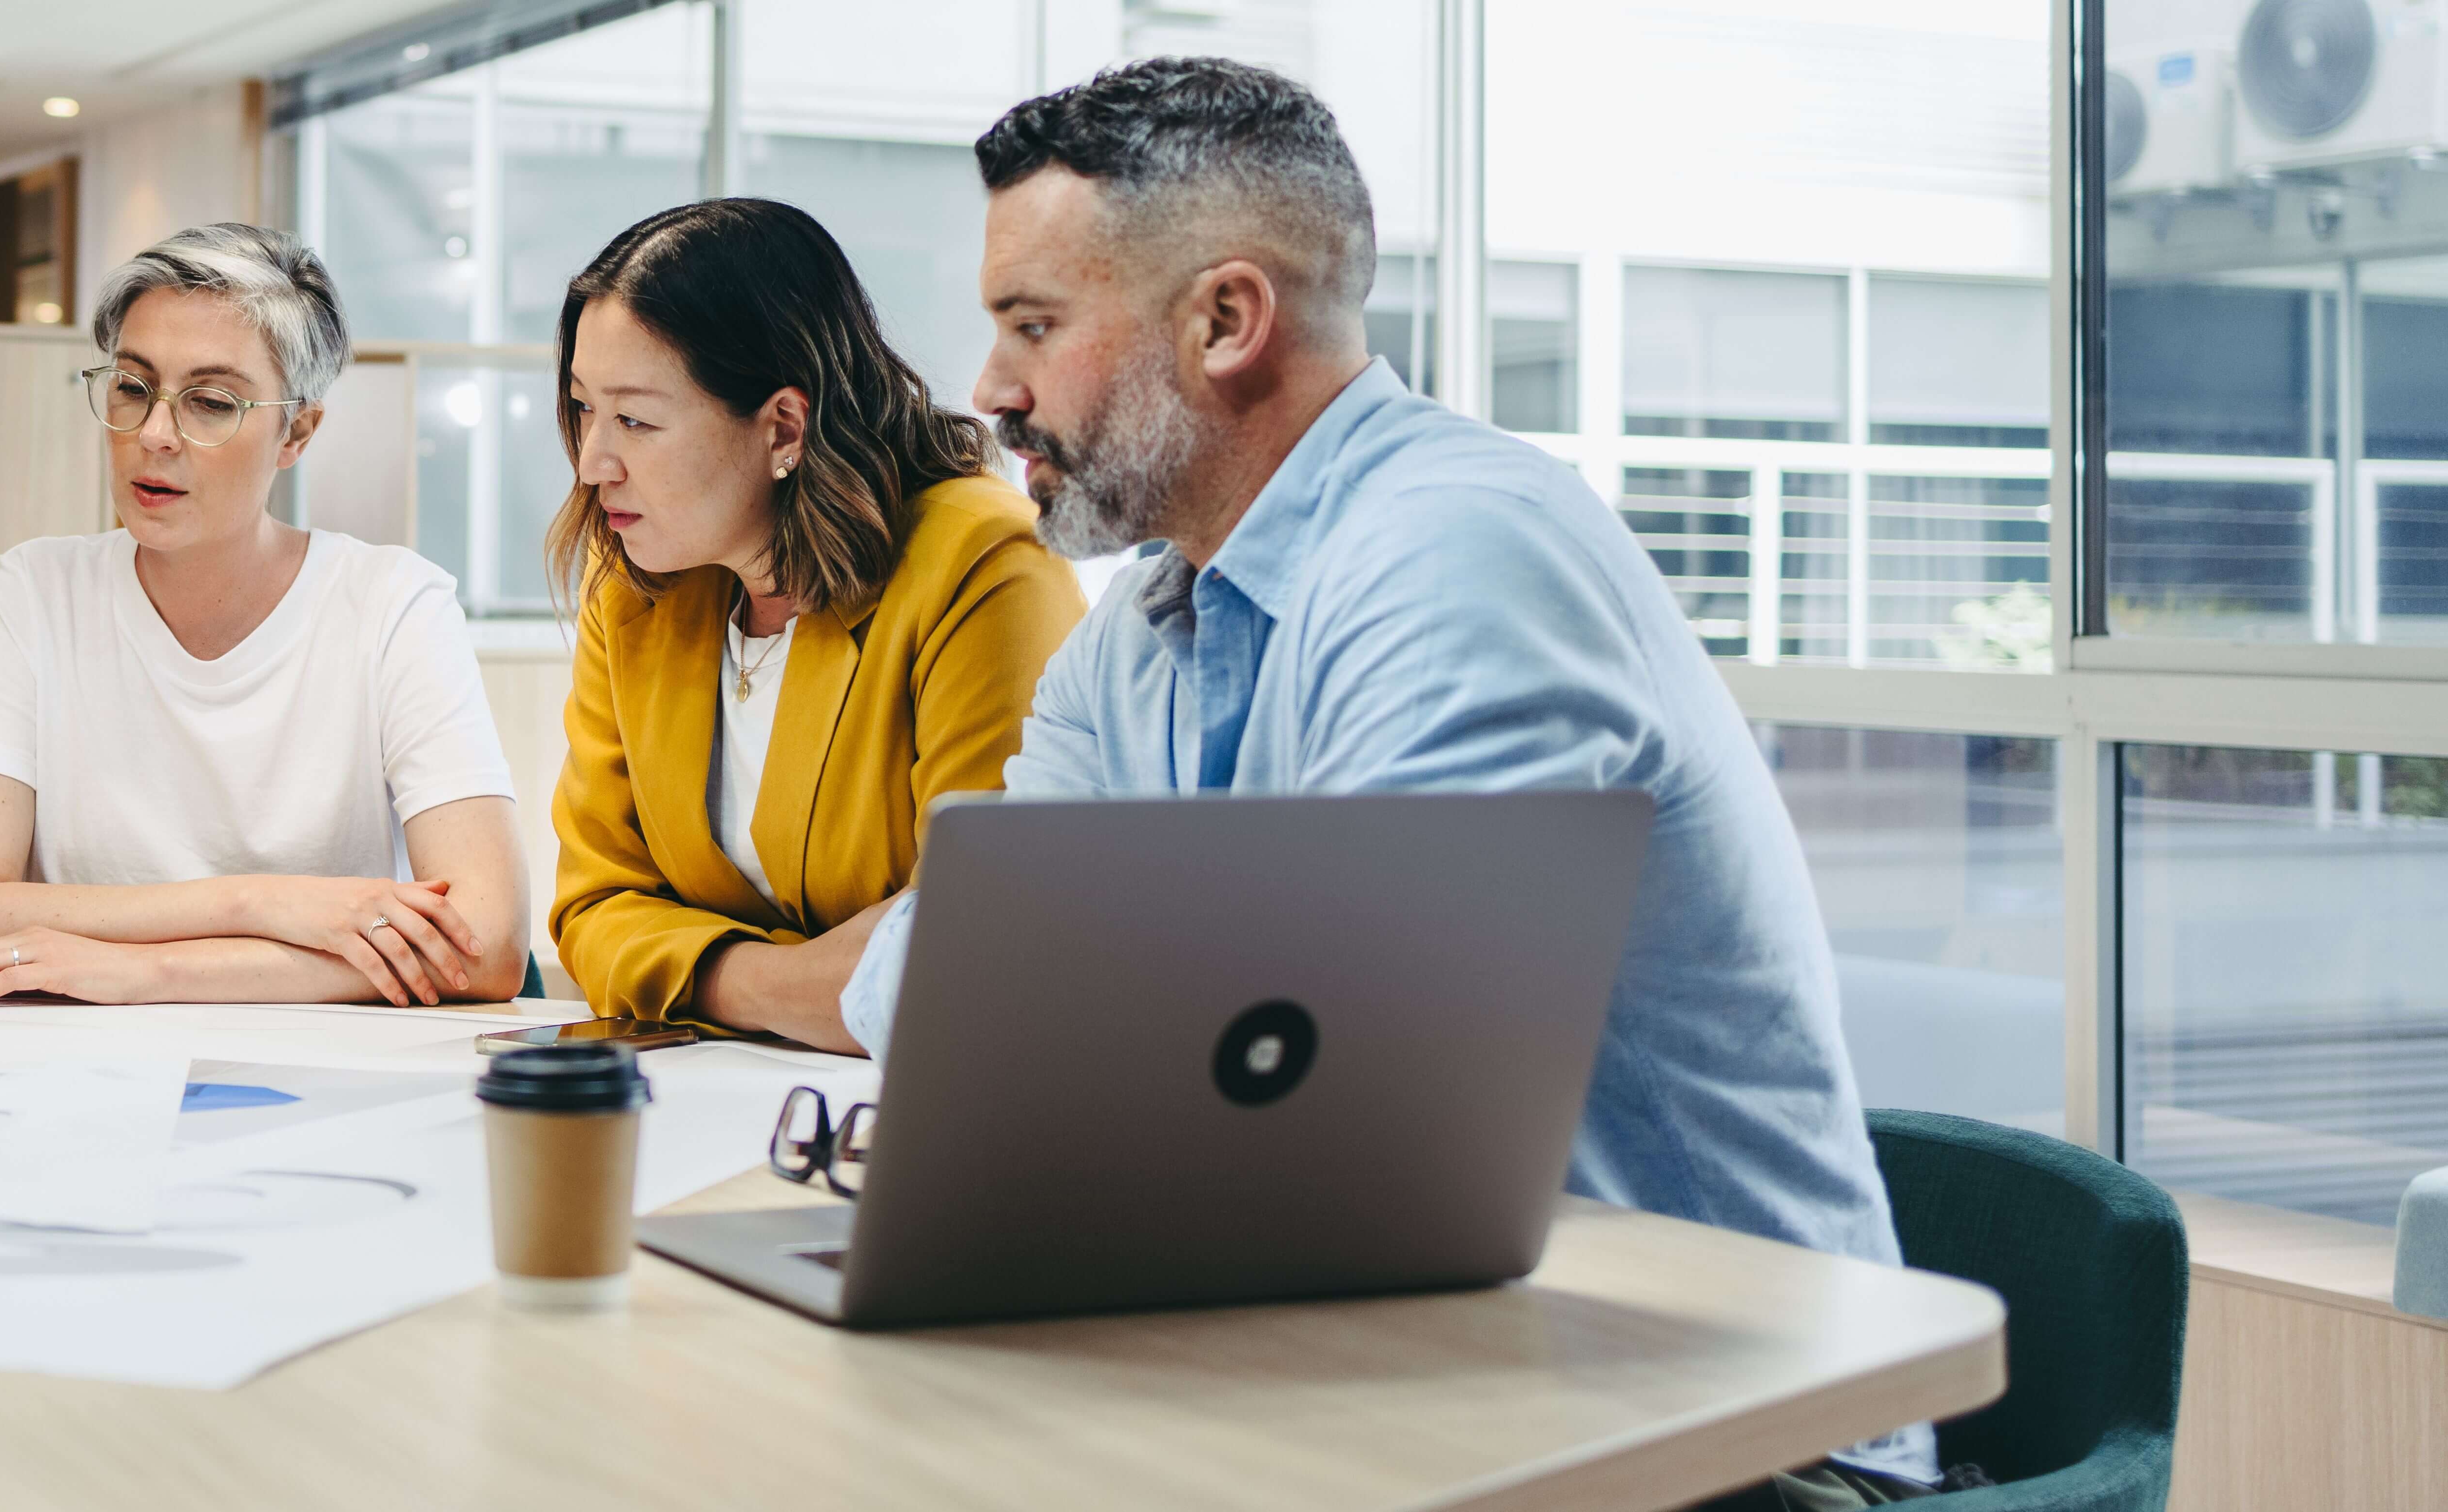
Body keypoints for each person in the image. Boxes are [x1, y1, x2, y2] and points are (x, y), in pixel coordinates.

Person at [830, 59, 1937, 1504]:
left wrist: (1093, 1006)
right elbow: (931, 989)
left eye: (1033, 325)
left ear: (1226, 319)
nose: (992, 390)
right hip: (1413, 1373)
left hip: (1725, 1434)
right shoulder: (1141, 634)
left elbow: (1354, 1125)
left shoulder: (1457, 554)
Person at [0, 224, 529, 1008]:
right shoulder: (36, 592)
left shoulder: (393, 605)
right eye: (133, 388)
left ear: (297, 432)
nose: (155, 435)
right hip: (78, 1070)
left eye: (210, 402)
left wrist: (150, 974)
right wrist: (262, 903)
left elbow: (489, 941)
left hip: (329, 1077)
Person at [542, 199, 1082, 1051]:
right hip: (713, 1098)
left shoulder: (985, 563)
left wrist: (683, 965)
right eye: (583, 409)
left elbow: (975, 938)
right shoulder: (639, 586)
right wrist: (776, 985)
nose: (592, 462)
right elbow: (594, 904)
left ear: (784, 426)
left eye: (636, 420)